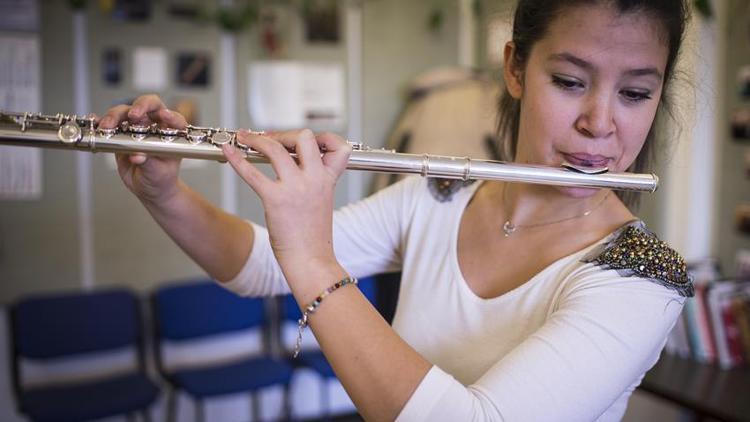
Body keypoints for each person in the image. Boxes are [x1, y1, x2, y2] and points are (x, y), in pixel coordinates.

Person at [99, 0, 694, 420]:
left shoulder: (642, 280)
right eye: (569, 80)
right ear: (515, 67)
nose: (600, 122)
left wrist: (312, 255)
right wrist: (164, 193)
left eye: (636, 93)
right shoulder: (437, 196)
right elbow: (262, 266)